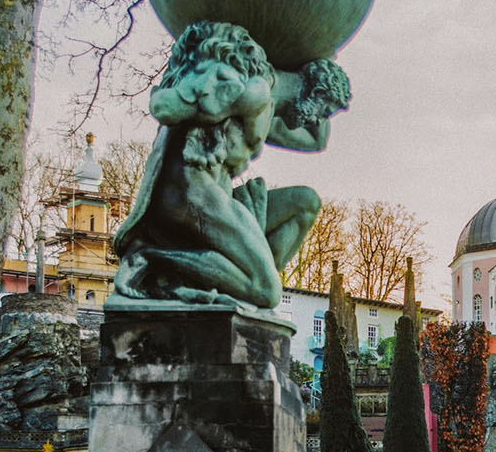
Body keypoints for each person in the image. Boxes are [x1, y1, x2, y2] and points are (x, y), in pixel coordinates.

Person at [113, 21, 350, 310]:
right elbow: (164, 107)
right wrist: (201, 100)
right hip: (191, 194)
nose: (319, 120)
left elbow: (315, 141)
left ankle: (239, 287)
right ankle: (151, 257)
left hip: (217, 197)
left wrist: (323, 55)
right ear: (318, 93)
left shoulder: (269, 107)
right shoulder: (252, 91)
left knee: (305, 202)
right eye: (325, 110)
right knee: (267, 291)